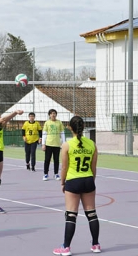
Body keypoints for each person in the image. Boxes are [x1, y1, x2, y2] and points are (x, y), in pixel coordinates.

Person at [52, 116, 101, 255]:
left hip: (73, 181)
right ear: (83, 127)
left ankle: (66, 247)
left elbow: (64, 167)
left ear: (70, 127)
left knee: (71, 215)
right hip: (88, 180)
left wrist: (62, 182)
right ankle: (96, 244)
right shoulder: (92, 144)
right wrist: (91, 181)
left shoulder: (67, 145)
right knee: (92, 214)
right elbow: (94, 167)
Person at [42, 109, 65, 181]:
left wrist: (64, 143)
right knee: (47, 160)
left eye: (54, 113)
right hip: (49, 144)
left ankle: (56, 174)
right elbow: (44, 134)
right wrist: (43, 144)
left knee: (56, 160)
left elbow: (62, 133)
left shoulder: (59, 122)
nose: (53, 115)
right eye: (52, 113)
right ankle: (45, 174)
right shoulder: (47, 123)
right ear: (49, 115)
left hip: (57, 144)